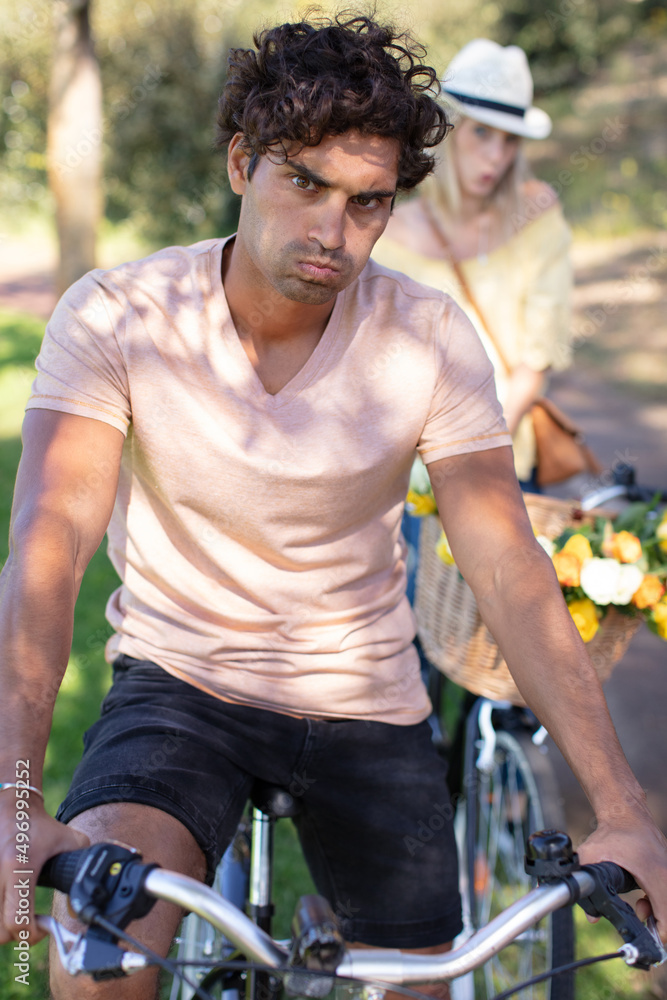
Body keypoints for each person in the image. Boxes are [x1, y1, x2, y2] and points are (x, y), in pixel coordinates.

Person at [0, 14, 665, 1000]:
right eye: (304, 183)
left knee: (424, 985)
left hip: (364, 698)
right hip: (181, 680)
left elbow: (507, 565)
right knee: (96, 952)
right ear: (241, 162)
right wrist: (18, 803)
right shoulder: (120, 314)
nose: (330, 230)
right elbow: (49, 546)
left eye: (367, 202)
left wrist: (624, 808)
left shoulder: (426, 338)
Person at [373, 38, 573, 491]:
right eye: (482, 131)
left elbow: (536, 358)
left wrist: (476, 453)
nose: (496, 156)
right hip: (397, 473)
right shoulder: (388, 230)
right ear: (450, 130)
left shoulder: (535, 219)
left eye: (509, 140)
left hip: (498, 465)